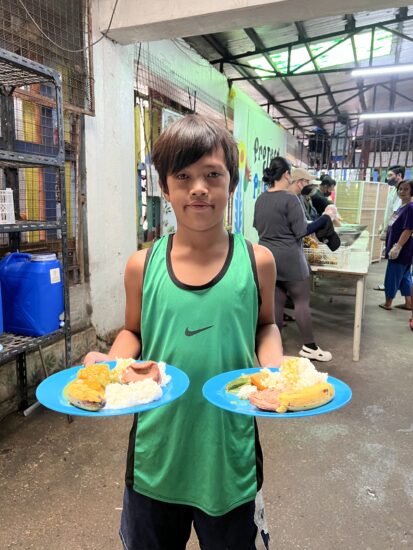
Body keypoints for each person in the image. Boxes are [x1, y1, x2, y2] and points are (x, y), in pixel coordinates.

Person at [83, 114, 283, 550]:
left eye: (212, 175)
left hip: (229, 453)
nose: (198, 188)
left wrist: (275, 371)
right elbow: (133, 331)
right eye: (183, 176)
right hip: (157, 453)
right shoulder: (142, 265)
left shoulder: (257, 262)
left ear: (231, 184)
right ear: (164, 186)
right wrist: (111, 367)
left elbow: (265, 325)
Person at [253, 156, 332, 362]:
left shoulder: (261, 199)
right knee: (301, 301)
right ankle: (310, 347)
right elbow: (302, 231)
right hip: (290, 258)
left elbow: (258, 227)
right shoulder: (290, 199)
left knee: (276, 302)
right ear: (287, 174)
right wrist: (326, 217)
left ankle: (273, 345)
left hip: (267, 257)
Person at [379, 179, 413, 311]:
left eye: (406, 189)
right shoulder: (401, 207)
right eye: (400, 189)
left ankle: (388, 303)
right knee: (405, 277)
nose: (402, 191)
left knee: (392, 276)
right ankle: (409, 303)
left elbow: (408, 229)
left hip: (402, 249)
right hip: (401, 249)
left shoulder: (410, 208)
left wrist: (397, 247)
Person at [375, 165, 405, 291]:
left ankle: (390, 286)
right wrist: (384, 226)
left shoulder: (402, 191)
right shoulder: (393, 189)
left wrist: (387, 230)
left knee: (394, 260)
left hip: (397, 230)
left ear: (399, 175)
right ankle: (396, 285)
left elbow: (395, 213)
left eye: (390, 175)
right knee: (396, 261)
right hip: (392, 228)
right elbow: (389, 211)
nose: (388, 178)